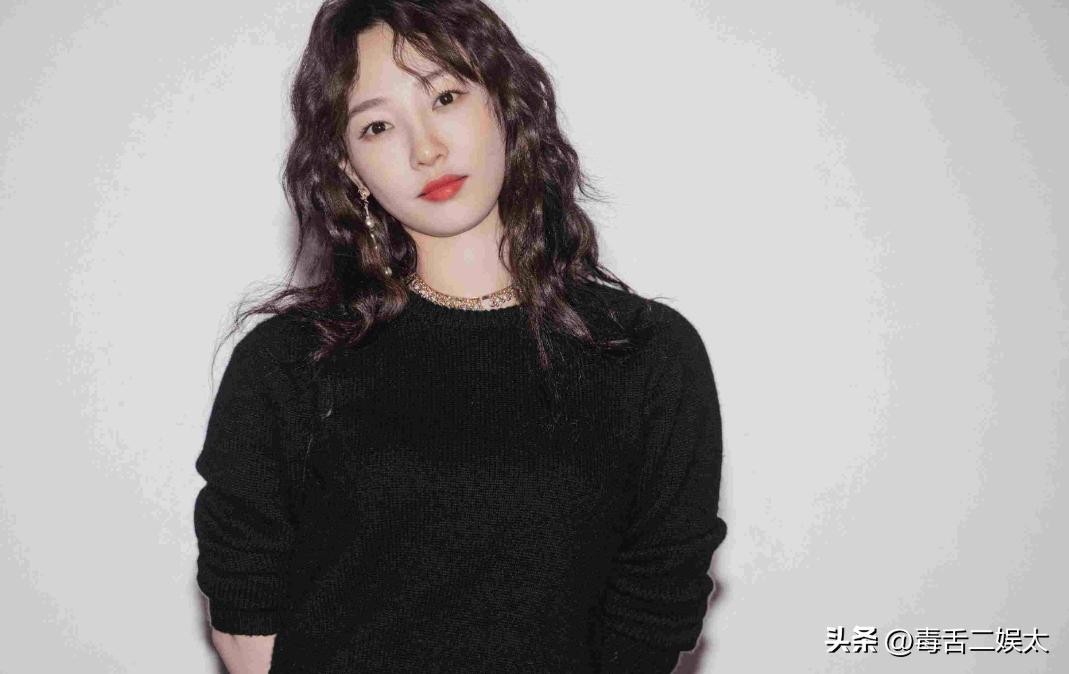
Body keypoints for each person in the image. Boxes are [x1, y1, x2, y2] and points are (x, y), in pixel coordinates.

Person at [193, 1, 727, 672]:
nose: (426, 149)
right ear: (350, 170)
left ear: (503, 101)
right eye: (378, 126)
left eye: (444, 97)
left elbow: (656, 609)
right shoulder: (289, 362)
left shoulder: (646, 354)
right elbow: (245, 615)